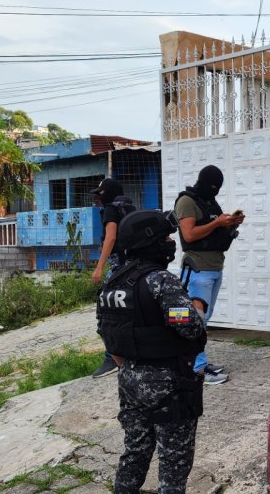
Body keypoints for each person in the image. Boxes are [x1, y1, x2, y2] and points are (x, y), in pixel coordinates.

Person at [97, 209, 206, 494]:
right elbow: (190, 327)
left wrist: (129, 365)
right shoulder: (160, 281)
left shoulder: (113, 283)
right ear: (151, 242)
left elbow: (107, 333)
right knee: (173, 462)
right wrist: (197, 307)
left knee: (135, 450)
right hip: (167, 383)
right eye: (166, 237)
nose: (170, 241)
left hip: (129, 379)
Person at [175, 165, 243, 384]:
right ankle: (197, 369)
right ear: (203, 182)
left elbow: (215, 228)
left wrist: (229, 223)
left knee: (204, 320)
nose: (215, 190)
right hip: (198, 270)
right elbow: (189, 234)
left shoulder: (209, 201)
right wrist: (217, 222)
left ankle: (198, 363)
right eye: (213, 186)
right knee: (194, 320)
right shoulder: (187, 201)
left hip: (214, 268)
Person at [90, 178, 135, 378]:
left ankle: (111, 358)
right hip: (133, 266)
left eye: (99, 193)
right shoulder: (129, 206)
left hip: (117, 267)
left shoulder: (110, 210)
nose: (96, 197)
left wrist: (99, 267)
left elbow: (111, 237)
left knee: (106, 313)